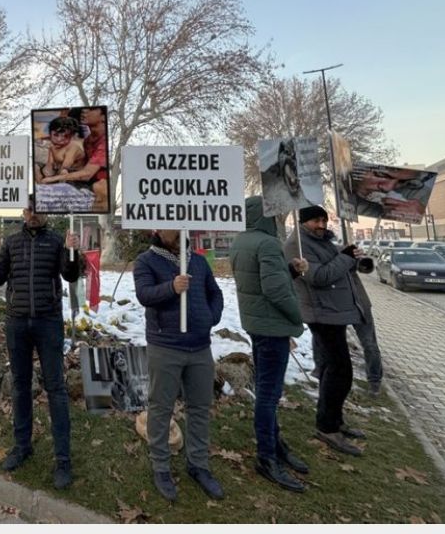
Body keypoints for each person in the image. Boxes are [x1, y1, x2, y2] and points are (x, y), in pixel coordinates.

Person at [0, 195, 80, 489]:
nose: (33, 214)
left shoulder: (57, 240)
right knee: (20, 385)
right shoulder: (12, 242)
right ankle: (22, 446)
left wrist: (72, 252)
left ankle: (63, 459)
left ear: (45, 213)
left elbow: (71, 274)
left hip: (48, 322)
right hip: (17, 322)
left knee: (56, 388)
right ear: (23, 212)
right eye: (29, 209)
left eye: (39, 210)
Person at [133, 229, 225, 501]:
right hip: (165, 346)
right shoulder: (145, 261)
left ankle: (198, 465)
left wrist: (211, 316)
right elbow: (144, 295)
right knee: (161, 409)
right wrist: (171, 287)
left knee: (199, 407)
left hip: (199, 347)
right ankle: (161, 466)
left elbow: (215, 293)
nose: (174, 228)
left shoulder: (197, 261)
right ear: (156, 230)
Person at [230, 196, 312, 493]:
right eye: (276, 215)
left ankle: (276, 445)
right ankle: (266, 456)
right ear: (267, 217)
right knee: (268, 394)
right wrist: (296, 318)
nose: (280, 220)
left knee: (266, 390)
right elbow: (275, 289)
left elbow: (259, 279)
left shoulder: (242, 242)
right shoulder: (266, 244)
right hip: (272, 327)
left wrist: (289, 269)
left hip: (256, 324)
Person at [284, 205, 365, 457]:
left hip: (333, 312)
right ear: (303, 222)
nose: (321, 225)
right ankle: (327, 426)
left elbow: (335, 265)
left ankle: (333, 419)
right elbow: (318, 276)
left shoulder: (323, 241)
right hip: (321, 314)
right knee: (340, 371)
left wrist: (349, 255)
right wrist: (345, 258)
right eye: (315, 221)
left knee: (336, 369)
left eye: (324, 220)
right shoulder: (298, 245)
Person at [39, 106, 110, 212]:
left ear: (103, 117)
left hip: (92, 188)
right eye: (56, 134)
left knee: (99, 186)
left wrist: (52, 178)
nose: (85, 111)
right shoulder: (88, 140)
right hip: (80, 184)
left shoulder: (102, 142)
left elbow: (86, 174)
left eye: (92, 109)